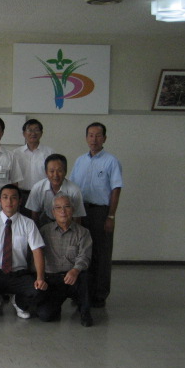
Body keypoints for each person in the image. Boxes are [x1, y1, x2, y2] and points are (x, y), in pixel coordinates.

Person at [0, 184, 47, 319]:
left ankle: (19, 302)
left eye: (13, 198)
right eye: (5, 197)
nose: (9, 202)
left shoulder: (28, 223)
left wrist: (40, 277)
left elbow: (37, 251)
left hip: (19, 274)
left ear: (20, 201)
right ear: (0, 200)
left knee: (39, 291)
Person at [69, 122, 123, 308]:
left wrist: (111, 216)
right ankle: (80, 293)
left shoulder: (111, 161)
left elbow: (116, 190)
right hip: (81, 211)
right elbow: (73, 188)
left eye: (98, 135)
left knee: (101, 253)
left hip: (101, 212)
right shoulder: (80, 161)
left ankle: (99, 295)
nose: (94, 139)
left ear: (105, 138)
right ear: (86, 138)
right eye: (90, 135)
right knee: (80, 252)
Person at [38, 194, 93, 327]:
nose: (63, 211)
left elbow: (84, 257)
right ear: (53, 212)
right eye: (58, 208)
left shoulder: (83, 232)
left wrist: (75, 270)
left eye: (67, 207)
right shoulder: (44, 231)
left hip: (73, 277)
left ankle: (85, 312)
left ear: (72, 210)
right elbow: (36, 256)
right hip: (52, 279)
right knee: (46, 315)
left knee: (85, 276)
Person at [25, 154, 86, 227]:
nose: (55, 175)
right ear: (46, 172)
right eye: (51, 171)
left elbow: (77, 218)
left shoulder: (74, 190)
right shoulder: (37, 188)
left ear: (65, 171)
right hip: (45, 222)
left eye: (59, 171)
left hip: (67, 224)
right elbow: (34, 216)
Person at [13, 119, 55, 215]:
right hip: (23, 195)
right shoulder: (16, 153)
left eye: (36, 130)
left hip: (43, 195)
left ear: (41, 133)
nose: (33, 133)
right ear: (24, 133)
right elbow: (13, 177)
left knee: (43, 224)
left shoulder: (49, 153)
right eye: (29, 130)